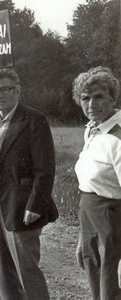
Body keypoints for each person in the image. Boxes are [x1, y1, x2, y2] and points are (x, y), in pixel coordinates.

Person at [0, 67, 58, 299]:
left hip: (22, 205)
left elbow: (45, 169)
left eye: (5, 89)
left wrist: (35, 205)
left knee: (26, 269)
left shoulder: (33, 120)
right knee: (2, 268)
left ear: (17, 91)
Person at [72, 66, 121, 300]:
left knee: (112, 281)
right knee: (94, 272)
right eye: (85, 98)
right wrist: (82, 237)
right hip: (89, 215)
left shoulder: (117, 137)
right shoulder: (92, 131)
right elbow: (88, 185)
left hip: (113, 220)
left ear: (113, 98)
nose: (91, 104)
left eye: (99, 96)